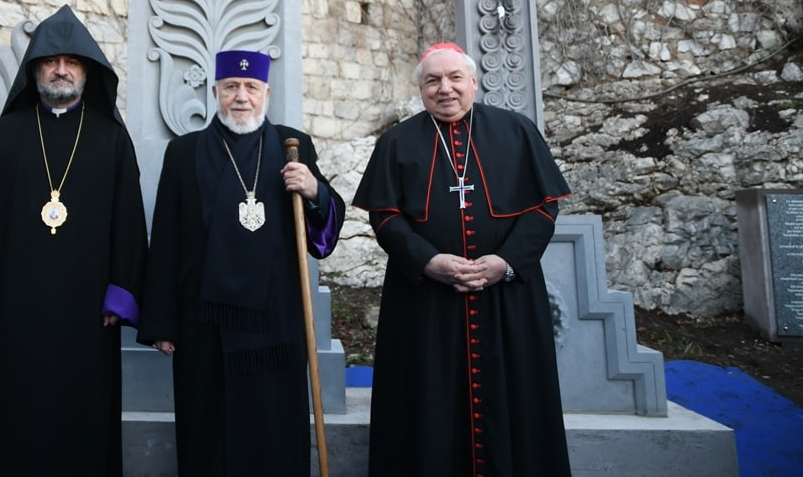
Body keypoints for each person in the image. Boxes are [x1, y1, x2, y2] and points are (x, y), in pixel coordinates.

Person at [353, 42, 572, 477]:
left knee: (516, 409)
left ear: (473, 82)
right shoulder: (396, 143)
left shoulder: (516, 131)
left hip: (506, 300)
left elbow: (543, 208)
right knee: (426, 410)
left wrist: (506, 262)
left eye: (455, 78)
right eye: (433, 80)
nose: (445, 89)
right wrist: (428, 261)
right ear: (420, 89)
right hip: (424, 303)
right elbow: (385, 217)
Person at [0, 5, 148, 476]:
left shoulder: (111, 138)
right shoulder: (5, 134)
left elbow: (130, 221)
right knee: (13, 406)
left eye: (72, 62)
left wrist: (121, 290)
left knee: (83, 410)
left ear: (87, 72)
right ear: (35, 69)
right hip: (16, 305)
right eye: (51, 61)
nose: (61, 69)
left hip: (87, 308)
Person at [137, 49, 345, 477]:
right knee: (208, 433)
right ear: (215, 92)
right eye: (231, 87)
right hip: (202, 322)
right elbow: (166, 239)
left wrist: (315, 192)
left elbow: (322, 236)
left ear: (266, 93)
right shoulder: (185, 152)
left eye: (251, 87)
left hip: (277, 322)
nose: (241, 97)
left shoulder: (293, 146)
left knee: (273, 433)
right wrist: (162, 322)